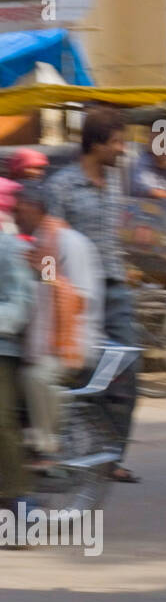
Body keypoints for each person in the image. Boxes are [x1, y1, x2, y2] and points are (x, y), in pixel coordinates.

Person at [44, 107, 140, 484]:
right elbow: (49, 242)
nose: (123, 150)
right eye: (117, 142)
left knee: (125, 372)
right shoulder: (61, 187)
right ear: (96, 144)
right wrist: (52, 290)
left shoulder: (115, 183)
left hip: (115, 291)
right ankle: (69, 453)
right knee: (78, 373)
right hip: (77, 294)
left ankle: (110, 457)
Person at [13, 184, 103, 464]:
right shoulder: (39, 241)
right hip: (44, 339)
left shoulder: (69, 243)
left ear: (36, 207)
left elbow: (82, 298)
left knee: (35, 377)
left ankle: (48, 443)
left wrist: (46, 275)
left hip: (73, 341)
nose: (16, 216)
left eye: (20, 210)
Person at [0, 215, 34, 518]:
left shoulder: (8, 248)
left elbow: (20, 303)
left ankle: (19, 506)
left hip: (3, 348)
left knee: (2, 422)